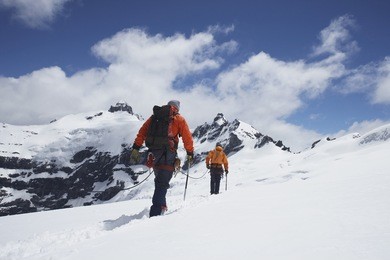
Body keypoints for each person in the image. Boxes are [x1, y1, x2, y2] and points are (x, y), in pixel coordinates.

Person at [130, 100, 194, 217]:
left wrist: (136, 147)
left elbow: (142, 132)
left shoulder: (155, 117)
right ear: (177, 108)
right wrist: (190, 152)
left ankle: (162, 205)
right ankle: (155, 213)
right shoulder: (178, 119)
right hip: (168, 154)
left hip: (153, 154)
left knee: (159, 181)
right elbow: (187, 137)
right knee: (162, 183)